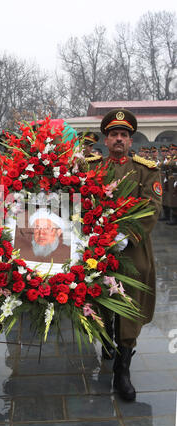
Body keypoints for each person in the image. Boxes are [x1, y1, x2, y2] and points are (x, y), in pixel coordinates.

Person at [100, 109, 162, 401]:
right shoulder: (93, 168)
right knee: (97, 297)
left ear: (130, 139)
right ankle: (104, 339)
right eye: (114, 134)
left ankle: (122, 370)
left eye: (124, 135)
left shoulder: (146, 169)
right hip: (96, 249)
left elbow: (152, 206)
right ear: (106, 139)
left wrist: (129, 235)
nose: (119, 139)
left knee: (128, 303)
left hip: (133, 247)